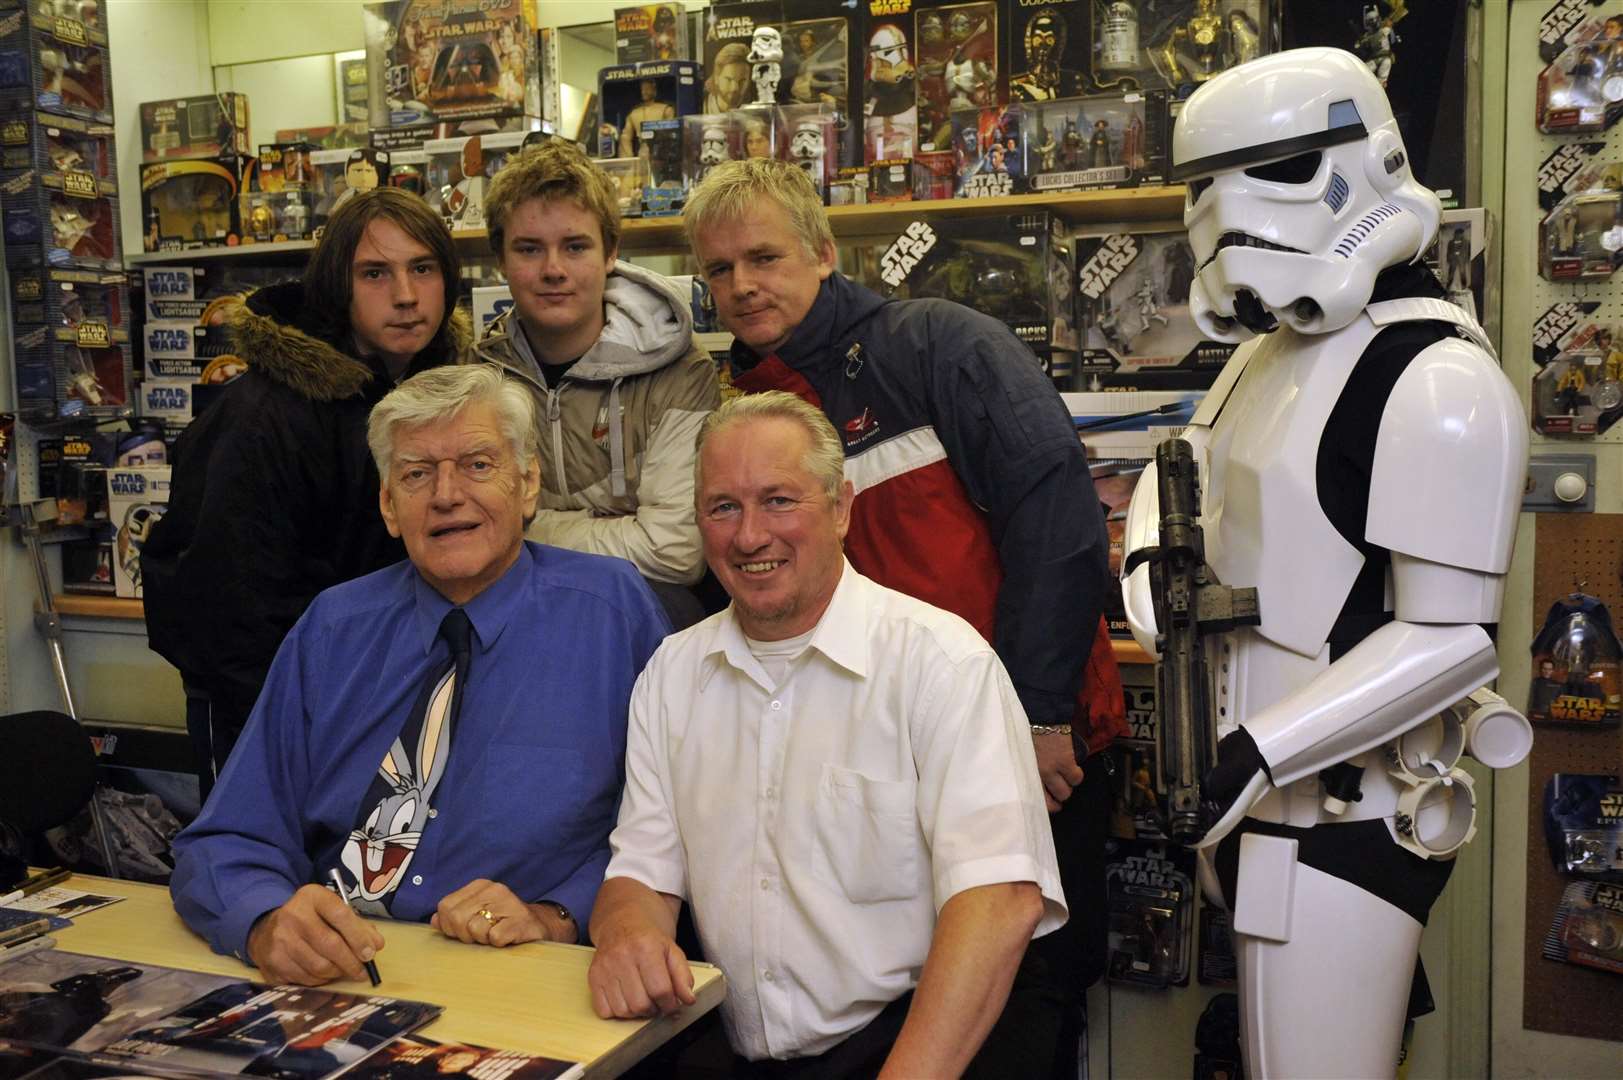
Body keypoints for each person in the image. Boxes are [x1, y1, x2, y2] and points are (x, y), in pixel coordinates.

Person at [683, 157, 1125, 1072]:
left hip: (1032, 750)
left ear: (822, 249)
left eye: (762, 257)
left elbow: (1059, 520)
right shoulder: (743, 402)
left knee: (1016, 1013)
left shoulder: (939, 347)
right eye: (718, 271)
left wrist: (1037, 715)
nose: (740, 286)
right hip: (877, 765)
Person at [589, 392, 1065, 1075]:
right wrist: (628, 935)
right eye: (723, 507)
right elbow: (641, 866)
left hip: (904, 1046)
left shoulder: (939, 662)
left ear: (841, 507)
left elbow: (1000, 900)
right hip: (724, 1048)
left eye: (779, 500)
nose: (749, 535)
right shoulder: (673, 671)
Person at [170, 364, 670, 987]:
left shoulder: (611, 614)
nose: (446, 495)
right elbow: (224, 839)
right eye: (416, 474)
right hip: (343, 976)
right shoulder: (333, 628)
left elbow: (673, 825)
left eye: (478, 465)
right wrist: (265, 920)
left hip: (527, 977)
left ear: (528, 484)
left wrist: (557, 913)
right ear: (388, 505)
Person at [143, 188, 471, 796]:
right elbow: (226, 606)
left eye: (422, 269)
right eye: (375, 273)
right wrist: (302, 720)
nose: (405, 295)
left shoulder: (438, 397)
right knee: (270, 883)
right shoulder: (266, 415)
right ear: (336, 287)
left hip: (392, 704)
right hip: (275, 712)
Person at [474, 141, 718, 628]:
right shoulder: (478, 378)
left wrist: (526, 526)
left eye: (575, 246)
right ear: (500, 262)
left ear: (611, 253)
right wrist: (613, 527)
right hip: (508, 613)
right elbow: (468, 539)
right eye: (528, 249)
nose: (553, 270)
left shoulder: (680, 370)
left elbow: (674, 552)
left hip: (638, 615)